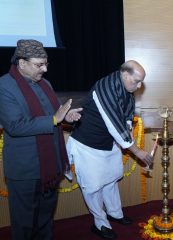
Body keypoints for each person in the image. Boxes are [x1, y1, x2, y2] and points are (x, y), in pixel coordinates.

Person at [0, 39, 82, 240]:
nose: (44, 69)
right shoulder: (4, 86)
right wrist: (55, 119)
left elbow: (52, 117)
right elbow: (15, 126)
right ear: (21, 63)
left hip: (50, 166)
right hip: (25, 170)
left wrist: (66, 118)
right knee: (24, 225)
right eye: (39, 65)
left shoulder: (45, 84)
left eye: (46, 64)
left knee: (45, 221)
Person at [66, 60, 153, 239]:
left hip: (108, 143)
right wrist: (136, 151)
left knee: (111, 180)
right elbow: (114, 123)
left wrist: (128, 129)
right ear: (125, 74)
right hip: (88, 144)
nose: (138, 86)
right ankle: (100, 223)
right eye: (136, 81)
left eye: (140, 83)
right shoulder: (105, 88)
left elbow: (126, 117)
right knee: (93, 187)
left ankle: (115, 213)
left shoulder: (126, 87)